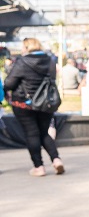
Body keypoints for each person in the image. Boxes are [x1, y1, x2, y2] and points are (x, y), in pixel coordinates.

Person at [3, 38, 64, 176]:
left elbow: (10, 83)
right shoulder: (50, 60)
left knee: (32, 134)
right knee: (44, 133)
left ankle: (39, 167)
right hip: (46, 103)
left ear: (26, 47)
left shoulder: (22, 62)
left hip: (24, 104)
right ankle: (56, 159)